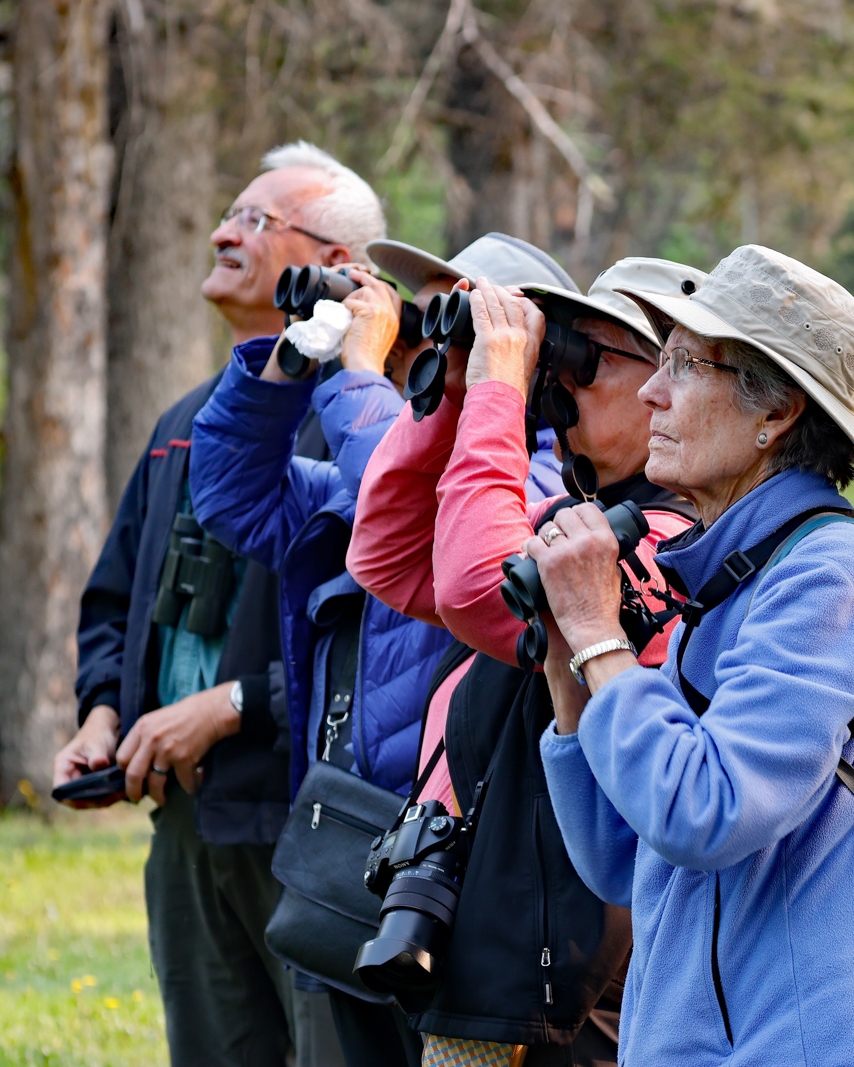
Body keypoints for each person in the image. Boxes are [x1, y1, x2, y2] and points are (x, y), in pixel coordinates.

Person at [519, 244, 854, 1066]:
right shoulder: (728, 580)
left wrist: (603, 636)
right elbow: (620, 854)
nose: (650, 390)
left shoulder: (834, 574)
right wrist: (568, 661)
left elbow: (703, 812)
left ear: (774, 411)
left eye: (682, 362)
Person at [53, 141, 382, 1067]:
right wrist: (105, 709)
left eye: (254, 221)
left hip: (310, 822)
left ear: (339, 269)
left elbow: (383, 632)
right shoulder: (186, 422)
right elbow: (116, 593)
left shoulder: (368, 425)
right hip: (188, 825)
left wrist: (233, 706)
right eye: (230, 214)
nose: (220, 232)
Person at [348, 257, 699, 1067]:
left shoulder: (673, 550)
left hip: (577, 973)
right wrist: (464, 390)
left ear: (676, 388)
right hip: (515, 937)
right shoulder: (584, 524)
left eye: (592, 359)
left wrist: (506, 390)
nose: (563, 379)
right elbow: (393, 557)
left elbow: (477, 589)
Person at [187, 241, 479, 1063]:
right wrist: (289, 359)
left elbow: (426, 497)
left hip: (457, 882)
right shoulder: (365, 479)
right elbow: (231, 496)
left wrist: (359, 369)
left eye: (438, 333)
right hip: (344, 859)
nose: (413, 359)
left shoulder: (535, 481)